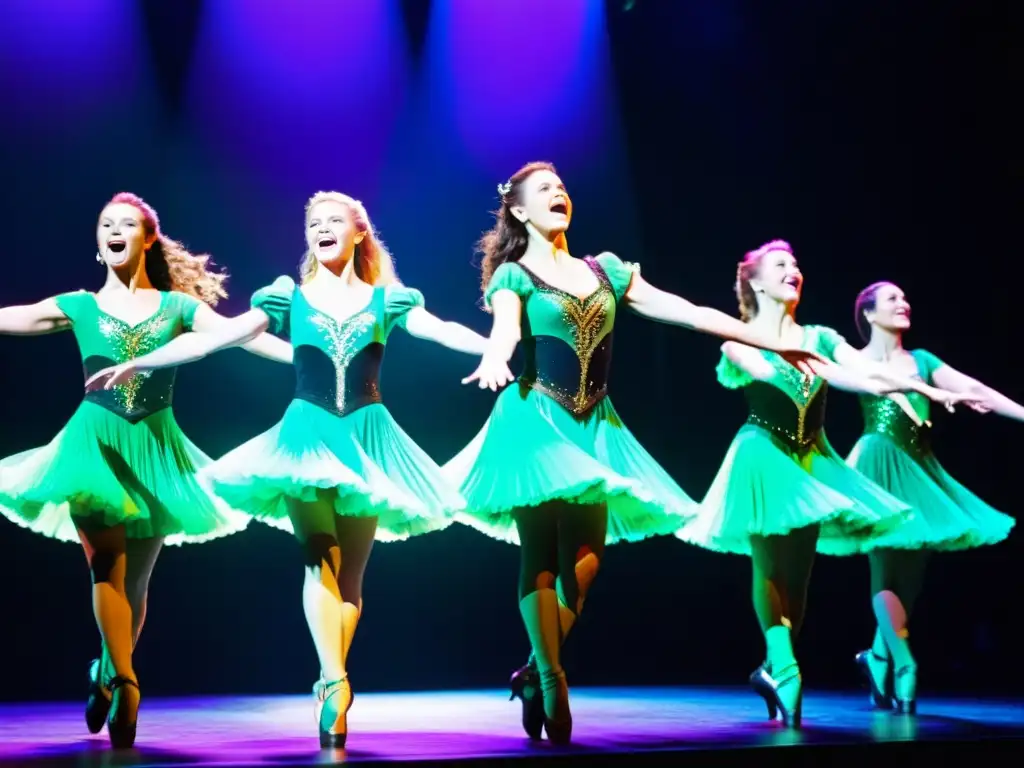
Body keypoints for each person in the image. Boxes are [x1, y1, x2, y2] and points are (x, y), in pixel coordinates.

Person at [86, 191, 495, 749]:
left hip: (369, 439)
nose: (322, 229)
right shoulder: (287, 296)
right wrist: (141, 360)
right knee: (318, 555)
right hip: (304, 437)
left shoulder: (389, 300)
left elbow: (439, 328)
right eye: (313, 223)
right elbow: (217, 338)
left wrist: (494, 349)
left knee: (351, 577)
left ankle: (332, 678)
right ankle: (334, 681)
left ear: (359, 234)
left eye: (334, 221)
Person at [443, 163, 824, 745]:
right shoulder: (514, 277)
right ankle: (549, 675)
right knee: (541, 555)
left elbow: (689, 311)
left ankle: (530, 668)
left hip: (595, 425)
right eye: (544, 190)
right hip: (535, 421)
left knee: (588, 563)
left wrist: (768, 339)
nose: (558, 193)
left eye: (562, 187)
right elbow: (507, 329)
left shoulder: (607, 271)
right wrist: (497, 356)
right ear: (518, 211)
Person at [0, 192, 291, 749]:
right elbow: (18, 316)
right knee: (106, 566)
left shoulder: (177, 308)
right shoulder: (80, 304)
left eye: (126, 224)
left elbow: (239, 337)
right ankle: (128, 683)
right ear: (98, 240)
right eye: (106, 223)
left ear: (147, 238)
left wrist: (304, 356)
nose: (114, 230)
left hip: (157, 447)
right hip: (92, 446)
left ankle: (106, 671)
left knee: (137, 582)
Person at [676, 241, 973, 728]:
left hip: (813, 458)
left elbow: (862, 373)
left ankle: (773, 668)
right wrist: (801, 359)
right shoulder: (739, 337)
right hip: (763, 452)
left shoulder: (822, 336)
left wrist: (915, 386)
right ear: (755, 282)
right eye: (780, 265)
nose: (793, 270)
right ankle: (786, 666)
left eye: (795, 264)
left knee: (797, 579)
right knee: (769, 563)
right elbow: (762, 369)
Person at [847, 281, 1018, 714]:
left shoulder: (922, 360)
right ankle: (904, 664)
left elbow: (975, 388)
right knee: (886, 566)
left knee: (911, 578)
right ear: (868, 313)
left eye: (906, 297)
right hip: (878, 464)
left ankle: (877, 657)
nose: (904, 303)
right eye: (892, 299)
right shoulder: (854, 358)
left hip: (920, 469)